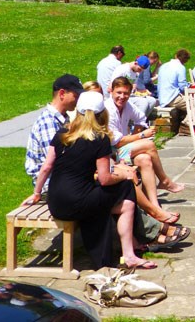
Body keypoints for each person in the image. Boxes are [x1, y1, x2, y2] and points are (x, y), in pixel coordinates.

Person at [23, 91, 156, 269]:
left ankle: (127, 249)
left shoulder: (63, 134)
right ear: (102, 114)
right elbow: (105, 179)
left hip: (56, 203)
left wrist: (37, 193)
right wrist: (125, 174)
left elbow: (46, 167)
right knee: (125, 187)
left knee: (125, 205)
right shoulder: (99, 138)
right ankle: (129, 253)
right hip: (78, 203)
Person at [106, 77, 184, 209]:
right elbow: (116, 142)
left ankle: (154, 204)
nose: (122, 97)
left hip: (123, 149)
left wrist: (134, 134)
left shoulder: (127, 105)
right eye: (118, 92)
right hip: (110, 154)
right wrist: (140, 135)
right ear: (111, 91)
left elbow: (141, 118)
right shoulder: (108, 110)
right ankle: (164, 180)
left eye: (126, 93)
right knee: (149, 145)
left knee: (145, 159)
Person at [25, 74, 84, 192]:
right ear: (62, 94)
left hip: (60, 180)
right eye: (76, 96)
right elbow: (55, 162)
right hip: (50, 185)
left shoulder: (62, 118)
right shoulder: (48, 122)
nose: (78, 101)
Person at [157, 48, 191, 134]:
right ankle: (185, 125)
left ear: (176, 56)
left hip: (162, 97)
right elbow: (183, 86)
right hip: (172, 97)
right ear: (185, 60)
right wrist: (190, 86)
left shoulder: (164, 65)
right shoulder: (180, 67)